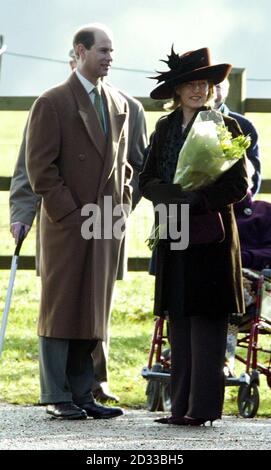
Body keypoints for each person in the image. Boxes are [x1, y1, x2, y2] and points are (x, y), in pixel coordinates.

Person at [10, 47, 147, 404]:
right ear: (80, 54)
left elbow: (131, 166)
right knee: (61, 306)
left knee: (94, 306)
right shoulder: (51, 102)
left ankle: (87, 392)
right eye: (104, 50)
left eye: (113, 51)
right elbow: (36, 167)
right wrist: (50, 213)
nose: (110, 58)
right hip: (68, 222)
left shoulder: (123, 104)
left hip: (106, 222)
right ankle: (57, 394)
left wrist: (122, 204)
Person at [139, 47, 248, 426]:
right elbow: (146, 178)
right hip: (173, 231)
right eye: (191, 84)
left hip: (211, 237)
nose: (199, 90)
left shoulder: (224, 126)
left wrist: (198, 198)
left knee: (206, 322)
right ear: (178, 90)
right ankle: (178, 406)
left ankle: (201, 409)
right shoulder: (165, 128)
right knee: (179, 318)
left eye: (204, 84)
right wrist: (170, 195)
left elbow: (238, 184)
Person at [225, 190, 271, 374]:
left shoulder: (264, 211)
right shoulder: (207, 212)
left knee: (231, 286)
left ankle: (224, 356)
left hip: (252, 274)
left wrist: (243, 257)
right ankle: (181, 352)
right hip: (210, 273)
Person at [215, 78, 260, 195]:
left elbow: (253, 172)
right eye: (208, 85)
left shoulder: (243, 125)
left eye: (218, 86)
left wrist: (245, 205)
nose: (212, 91)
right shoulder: (176, 123)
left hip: (232, 201)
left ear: (226, 92)